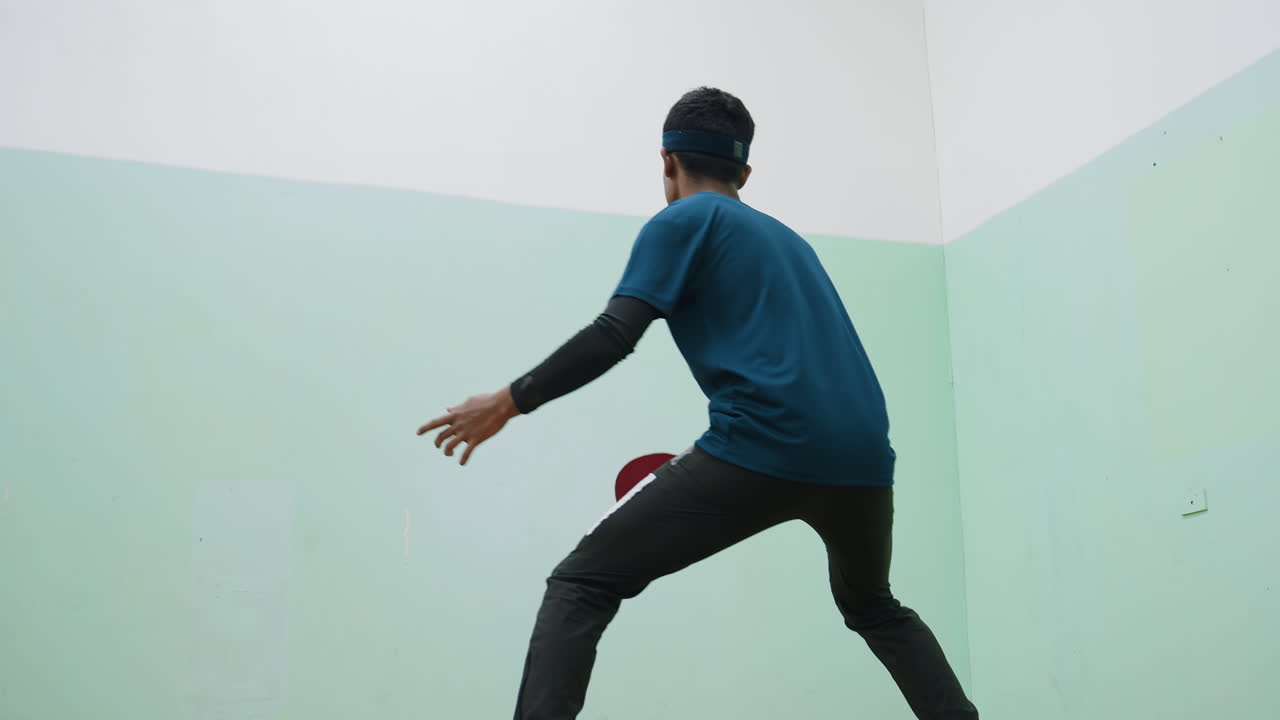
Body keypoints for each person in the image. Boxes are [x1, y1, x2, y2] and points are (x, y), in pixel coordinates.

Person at [417, 87, 979, 720]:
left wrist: (507, 402)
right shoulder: (790, 241)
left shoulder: (683, 220)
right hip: (864, 463)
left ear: (666, 161)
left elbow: (614, 334)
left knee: (581, 582)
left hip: (764, 443)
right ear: (745, 172)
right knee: (873, 606)